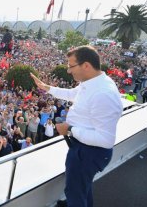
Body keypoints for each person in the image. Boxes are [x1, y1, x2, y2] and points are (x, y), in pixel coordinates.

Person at [31, 45, 122, 207]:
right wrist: (47, 88)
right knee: (82, 188)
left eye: (71, 66)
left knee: (74, 193)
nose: (68, 71)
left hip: (89, 153)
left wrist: (70, 129)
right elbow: (73, 94)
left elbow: (105, 140)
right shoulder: (92, 82)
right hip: (84, 149)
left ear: (86, 65)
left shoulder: (103, 93)